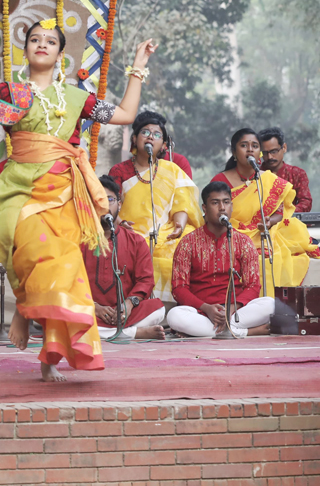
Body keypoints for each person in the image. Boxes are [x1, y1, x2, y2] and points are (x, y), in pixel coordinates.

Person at [0, 14, 155, 382]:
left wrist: (138, 68)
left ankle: (49, 356)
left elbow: (127, 114)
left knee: (63, 269)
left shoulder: (76, 98)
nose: (42, 44)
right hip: (19, 191)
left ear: (60, 55)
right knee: (35, 257)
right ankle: (25, 306)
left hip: (64, 193)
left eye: (50, 41)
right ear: (26, 49)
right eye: (35, 39)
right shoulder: (10, 94)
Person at [108, 111, 203, 300]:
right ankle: (137, 302)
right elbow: (111, 202)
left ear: (164, 145)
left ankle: (174, 303)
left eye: (157, 134)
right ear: (134, 139)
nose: (151, 136)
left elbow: (181, 202)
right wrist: (120, 222)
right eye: (145, 132)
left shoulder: (171, 169)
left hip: (166, 230)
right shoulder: (119, 170)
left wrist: (179, 225)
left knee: (184, 244)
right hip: (130, 230)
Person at [211, 128, 319, 294]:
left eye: (254, 146)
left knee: (287, 244)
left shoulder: (268, 179)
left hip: (266, 232)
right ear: (234, 151)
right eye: (244, 145)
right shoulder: (220, 180)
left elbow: (280, 212)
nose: (250, 149)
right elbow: (214, 214)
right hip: (233, 234)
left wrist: (270, 221)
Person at [167, 181, 274, 337]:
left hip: (234, 313)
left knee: (270, 304)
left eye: (226, 202)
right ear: (204, 208)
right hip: (201, 313)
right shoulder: (187, 243)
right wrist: (206, 308)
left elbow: (253, 285)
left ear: (231, 205)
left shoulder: (244, 242)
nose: (222, 208)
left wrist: (231, 309)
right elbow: (179, 288)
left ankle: (213, 332)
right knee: (174, 316)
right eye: (215, 203)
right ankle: (242, 332)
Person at [83, 176, 165, 340]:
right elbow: (69, 281)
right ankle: (131, 333)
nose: (104, 205)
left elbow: (145, 280)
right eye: (98, 200)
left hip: (125, 313)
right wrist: (94, 307)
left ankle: (109, 333)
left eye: (110, 199)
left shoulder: (136, 241)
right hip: (88, 312)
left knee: (158, 308)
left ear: (119, 204)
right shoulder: (79, 239)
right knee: (58, 310)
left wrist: (128, 305)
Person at [259, 127, 312, 213]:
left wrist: (284, 214)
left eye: (274, 151)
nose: (269, 157)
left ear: (284, 147)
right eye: (265, 153)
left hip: (289, 223)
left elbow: (306, 202)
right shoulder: (255, 174)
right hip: (260, 224)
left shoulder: (297, 174)